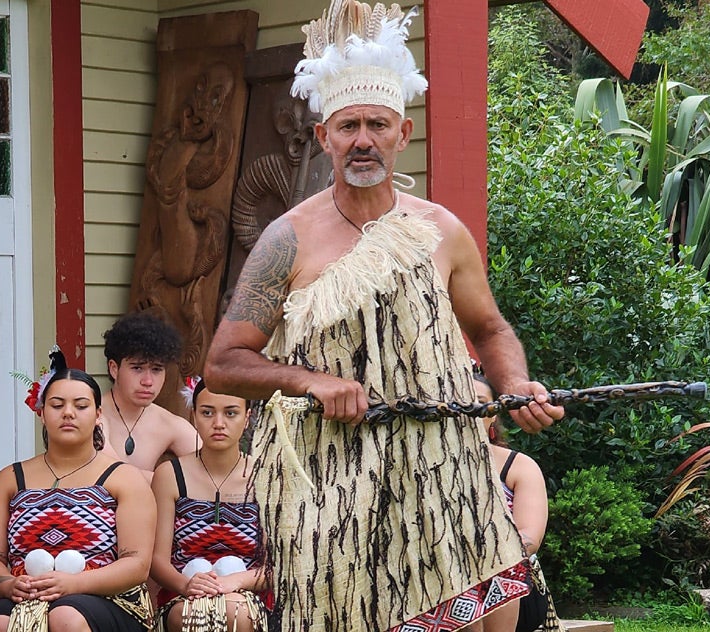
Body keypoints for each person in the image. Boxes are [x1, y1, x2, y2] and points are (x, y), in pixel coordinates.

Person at [204, 1, 564, 630]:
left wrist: (512, 385)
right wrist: (311, 381)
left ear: (404, 133)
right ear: (324, 137)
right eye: (347, 127)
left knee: (483, 617)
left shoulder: (440, 231)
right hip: (331, 475)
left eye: (377, 124)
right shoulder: (287, 239)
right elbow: (224, 362)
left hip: (441, 461)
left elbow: (489, 329)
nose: (362, 139)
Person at [0, 351, 156, 632]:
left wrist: (74, 583)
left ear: (98, 415)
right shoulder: (10, 479)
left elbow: (136, 565)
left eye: (81, 406)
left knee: (66, 617)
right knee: (0, 621)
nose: (68, 413)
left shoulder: (123, 478)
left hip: (110, 598)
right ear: (41, 414)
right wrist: (10, 584)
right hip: (30, 596)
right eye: (57, 405)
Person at [150, 379, 272, 632]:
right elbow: (157, 560)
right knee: (191, 615)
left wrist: (235, 582)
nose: (218, 423)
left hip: (249, 597)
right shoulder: (171, 475)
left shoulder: (266, 476)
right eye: (207, 412)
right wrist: (187, 585)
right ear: (193, 416)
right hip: (184, 594)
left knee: (236, 613)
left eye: (230, 413)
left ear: (247, 417)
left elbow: (274, 565)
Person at [473, 373, 563, 632]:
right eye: (460, 403)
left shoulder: (518, 466)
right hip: (440, 583)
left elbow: (530, 539)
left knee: (496, 568)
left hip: (512, 587)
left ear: (493, 415)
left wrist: (474, 558)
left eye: (480, 404)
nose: (469, 412)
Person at [101, 312, 201, 480]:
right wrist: (168, 483)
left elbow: (213, 467)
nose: (148, 381)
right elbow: (113, 474)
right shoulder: (93, 414)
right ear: (114, 368)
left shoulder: (168, 423)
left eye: (156, 369)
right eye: (137, 368)